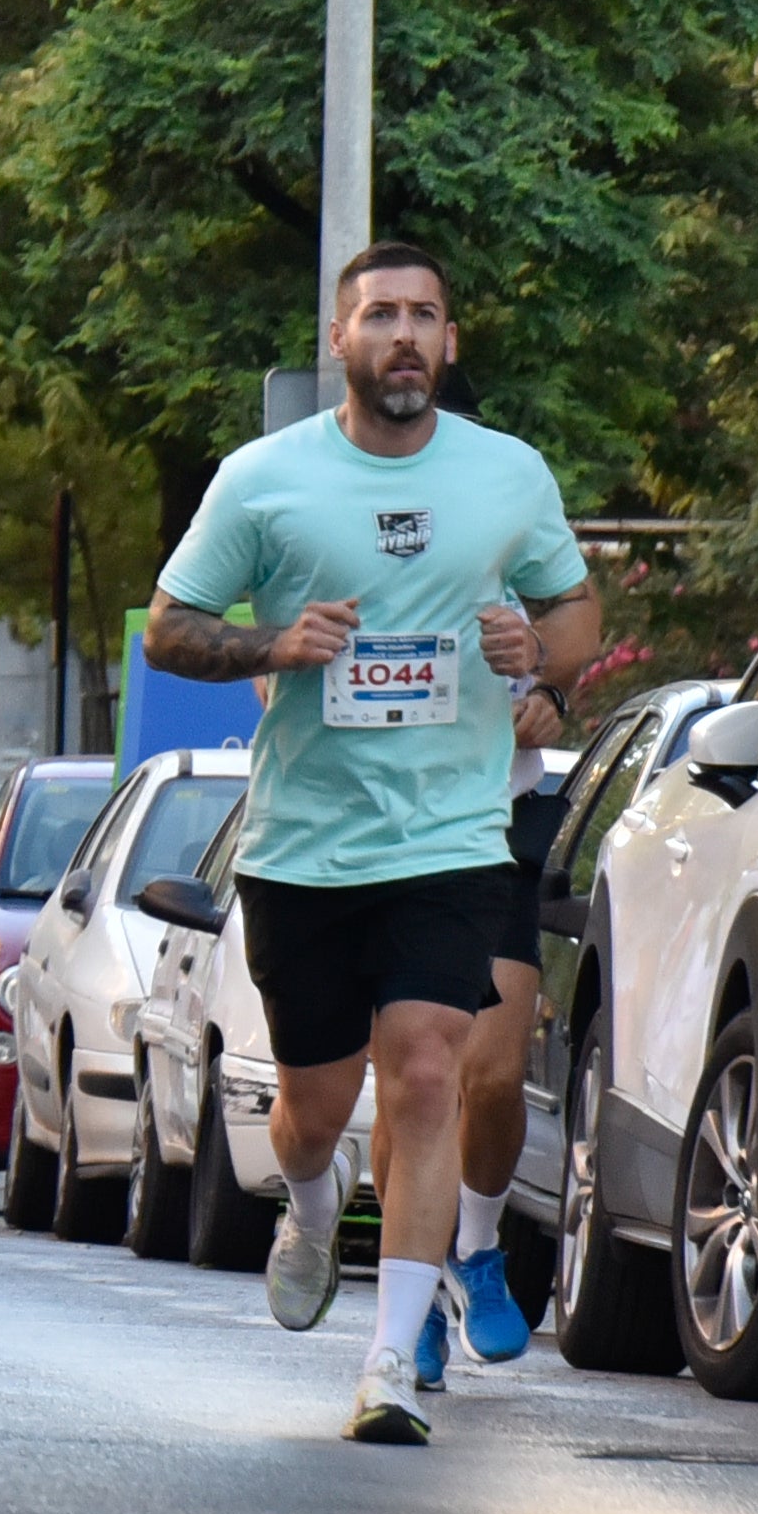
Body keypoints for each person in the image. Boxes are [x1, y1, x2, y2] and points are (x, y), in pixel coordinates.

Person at [143, 240, 597, 1446]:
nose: (404, 336)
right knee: (311, 1106)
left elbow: (576, 605)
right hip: (307, 846)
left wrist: (540, 658)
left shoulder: (508, 475)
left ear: (450, 344)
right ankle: (306, 1204)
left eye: (426, 318)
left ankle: (390, 1360)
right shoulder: (262, 479)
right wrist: (274, 646)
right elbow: (170, 630)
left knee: (431, 1071)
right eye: (381, 316)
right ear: (339, 343)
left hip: (452, 834)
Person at [392, 637, 578, 1388]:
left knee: (493, 1075)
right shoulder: (348, 529)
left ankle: (472, 1250)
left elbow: (575, 624)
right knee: (415, 1077)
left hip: (495, 824)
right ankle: (419, 1301)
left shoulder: (510, 526)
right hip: (388, 826)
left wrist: (553, 694)